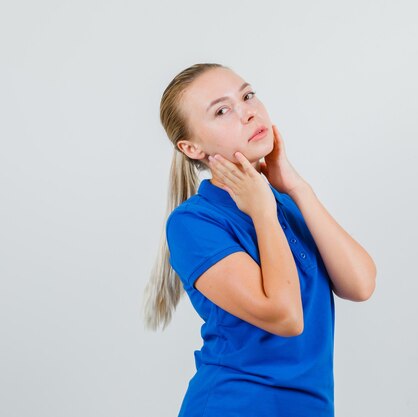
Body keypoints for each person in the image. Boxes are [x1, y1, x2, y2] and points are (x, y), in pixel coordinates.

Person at [142, 63, 377, 417]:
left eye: (248, 95)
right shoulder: (194, 223)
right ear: (191, 147)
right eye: (222, 111)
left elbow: (360, 285)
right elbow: (285, 316)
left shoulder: (283, 201)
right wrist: (263, 212)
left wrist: (297, 188)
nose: (248, 112)